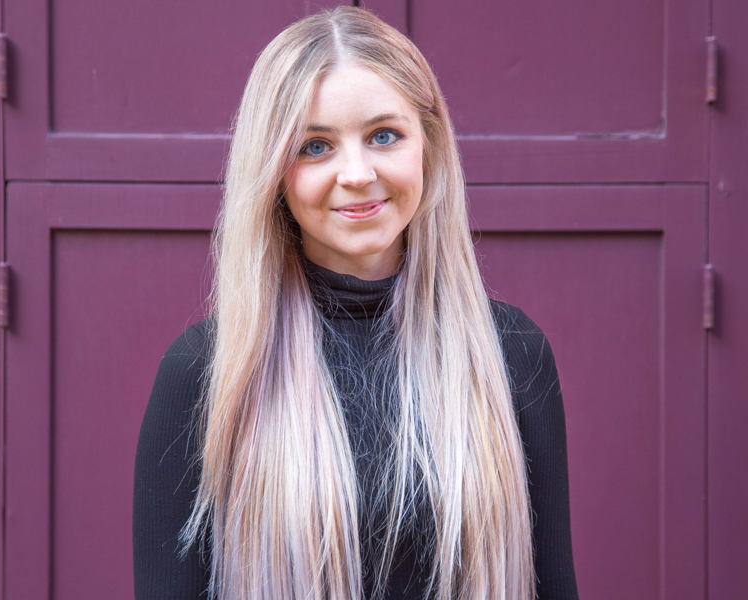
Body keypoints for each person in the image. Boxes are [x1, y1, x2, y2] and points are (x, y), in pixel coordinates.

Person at [133, 6, 578, 599]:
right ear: (273, 174)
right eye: (315, 146)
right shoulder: (206, 373)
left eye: (383, 136)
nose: (358, 173)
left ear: (430, 145)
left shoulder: (513, 355)